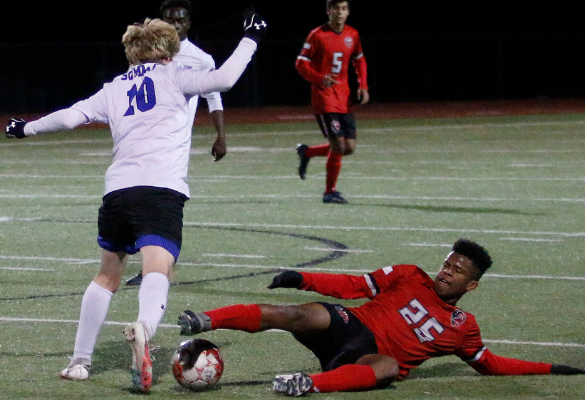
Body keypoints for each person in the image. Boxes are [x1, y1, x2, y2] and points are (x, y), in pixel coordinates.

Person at [5, 13, 267, 393]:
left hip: (117, 191)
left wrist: (25, 127)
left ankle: (79, 362)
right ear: (168, 50)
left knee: (107, 276)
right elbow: (225, 79)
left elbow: (70, 117)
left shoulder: (114, 87)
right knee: (158, 267)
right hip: (159, 190)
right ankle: (144, 328)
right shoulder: (176, 75)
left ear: (133, 53)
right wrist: (250, 38)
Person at [177, 239, 585, 396]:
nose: (447, 271)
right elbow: (355, 285)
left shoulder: (464, 329)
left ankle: (308, 385)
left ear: (471, 285)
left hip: (367, 357)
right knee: (297, 314)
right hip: (349, 324)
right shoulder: (410, 275)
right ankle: (205, 320)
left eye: (458, 270)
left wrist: (551, 366)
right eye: (447, 263)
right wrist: (303, 277)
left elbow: (491, 365)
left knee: (389, 367)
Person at [125, 0, 227, 287]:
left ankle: (159, 267)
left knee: (163, 202)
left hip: (174, 143)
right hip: (143, 137)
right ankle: (154, 264)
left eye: (180, 19)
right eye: (169, 19)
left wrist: (221, 135)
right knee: (137, 197)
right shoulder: (148, 51)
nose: (174, 24)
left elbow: (214, 96)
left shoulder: (201, 59)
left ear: (189, 24)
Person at [294, 0, 369, 204]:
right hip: (324, 97)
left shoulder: (352, 34)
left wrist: (363, 85)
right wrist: (320, 78)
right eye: (336, 8)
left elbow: (359, 59)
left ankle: (307, 152)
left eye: (344, 9)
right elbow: (300, 63)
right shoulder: (317, 35)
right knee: (338, 145)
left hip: (343, 97)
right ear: (328, 10)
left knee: (349, 147)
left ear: (348, 12)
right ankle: (330, 191)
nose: (340, 13)